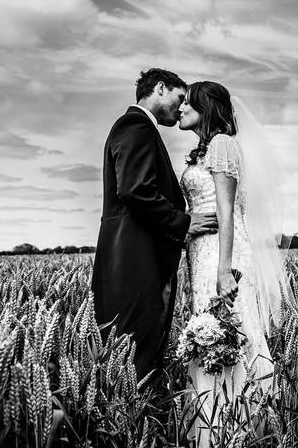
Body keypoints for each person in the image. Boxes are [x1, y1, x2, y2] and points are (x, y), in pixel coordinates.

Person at [177, 80, 291, 448]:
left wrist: (224, 269)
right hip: (202, 251)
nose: (180, 108)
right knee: (209, 337)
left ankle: (232, 444)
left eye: (188, 104)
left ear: (205, 108)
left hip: (222, 252)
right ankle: (216, 443)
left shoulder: (224, 144)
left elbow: (227, 210)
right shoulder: (204, 150)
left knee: (229, 332)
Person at [92, 69, 218, 383]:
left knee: (136, 351)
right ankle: (131, 420)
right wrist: (183, 223)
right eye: (179, 97)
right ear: (160, 88)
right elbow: (135, 190)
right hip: (134, 262)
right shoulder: (136, 125)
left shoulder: (138, 128)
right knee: (135, 351)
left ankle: (137, 414)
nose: (182, 108)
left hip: (134, 259)